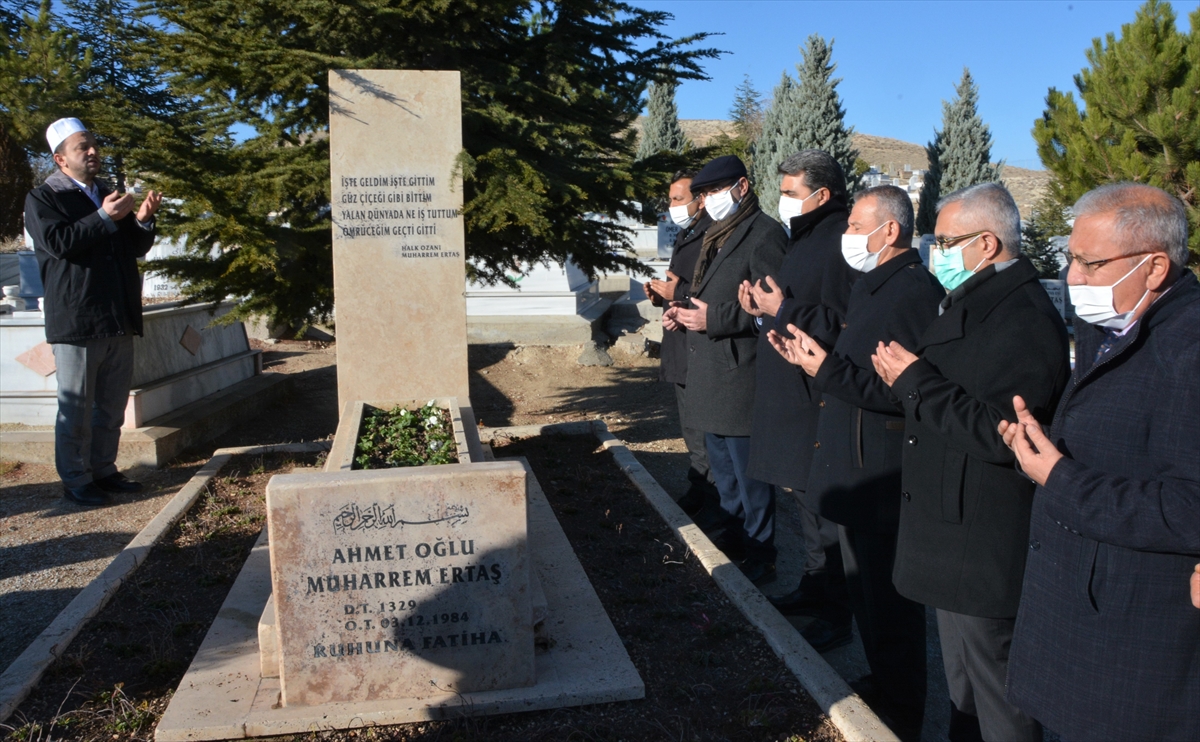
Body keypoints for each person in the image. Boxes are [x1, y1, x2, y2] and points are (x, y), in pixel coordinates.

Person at [998, 182, 1199, 741]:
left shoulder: (1190, 350)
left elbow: (1190, 506)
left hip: (1132, 650)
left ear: (1155, 267)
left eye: (1090, 262)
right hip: (1074, 622)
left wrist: (1057, 477)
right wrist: (1037, 448)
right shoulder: (1107, 326)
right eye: (1071, 258)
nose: (1073, 278)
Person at [871, 182, 1070, 742]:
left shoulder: (1023, 318)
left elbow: (1002, 432)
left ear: (986, 244)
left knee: (998, 695)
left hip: (982, 539)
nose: (937, 252)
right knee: (963, 689)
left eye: (948, 241)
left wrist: (915, 383)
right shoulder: (972, 299)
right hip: (950, 531)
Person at [768, 185, 943, 741]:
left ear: (889, 231)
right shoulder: (874, 283)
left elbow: (902, 389)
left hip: (879, 471)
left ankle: (903, 712)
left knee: (890, 605)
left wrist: (825, 370)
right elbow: (851, 362)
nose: (846, 237)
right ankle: (882, 684)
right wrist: (811, 359)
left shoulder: (914, 290)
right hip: (850, 460)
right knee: (863, 594)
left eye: (854, 226)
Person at [736, 149, 857, 649]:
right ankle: (813, 587)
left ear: (822, 195)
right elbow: (793, 311)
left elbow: (843, 324)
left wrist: (781, 306)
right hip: (793, 392)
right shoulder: (804, 239)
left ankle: (837, 612)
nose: (781, 201)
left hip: (819, 397)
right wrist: (761, 311)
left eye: (789, 193)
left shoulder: (839, 245)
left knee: (829, 515)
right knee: (808, 507)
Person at [662, 155, 787, 584]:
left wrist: (713, 319)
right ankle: (733, 536)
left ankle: (761, 551)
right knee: (724, 471)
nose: (710, 199)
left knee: (749, 475)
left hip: (738, 371)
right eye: (705, 193)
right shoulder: (716, 231)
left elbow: (767, 307)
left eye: (716, 191)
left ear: (742, 187)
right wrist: (681, 312)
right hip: (709, 370)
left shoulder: (765, 234)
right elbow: (705, 293)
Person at [24, 117, 161, 506]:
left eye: (93, 144)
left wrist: (143, 219)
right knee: (76, 410)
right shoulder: (43, 198)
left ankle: (104, 470)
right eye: (82, 147)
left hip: (116, 315)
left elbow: (133, 247)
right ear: (60, 159)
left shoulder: (105, 193)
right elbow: (59, 242)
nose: (92, 151)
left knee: (111, 407)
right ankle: (76, 479)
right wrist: (103, 217)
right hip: (77, 318)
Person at [644, 171, 719, 517]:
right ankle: (699, 487)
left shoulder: (713, 236)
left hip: (698, 344)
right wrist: (664, 297)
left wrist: (680, 295)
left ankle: (714, 500)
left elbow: (708, 293)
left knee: (704, 432)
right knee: (690, 428)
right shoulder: (688, 233)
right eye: (670, 199)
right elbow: (682, 286)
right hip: (680, 339)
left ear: (700, 199)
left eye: (678, 199)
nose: (672, 206)